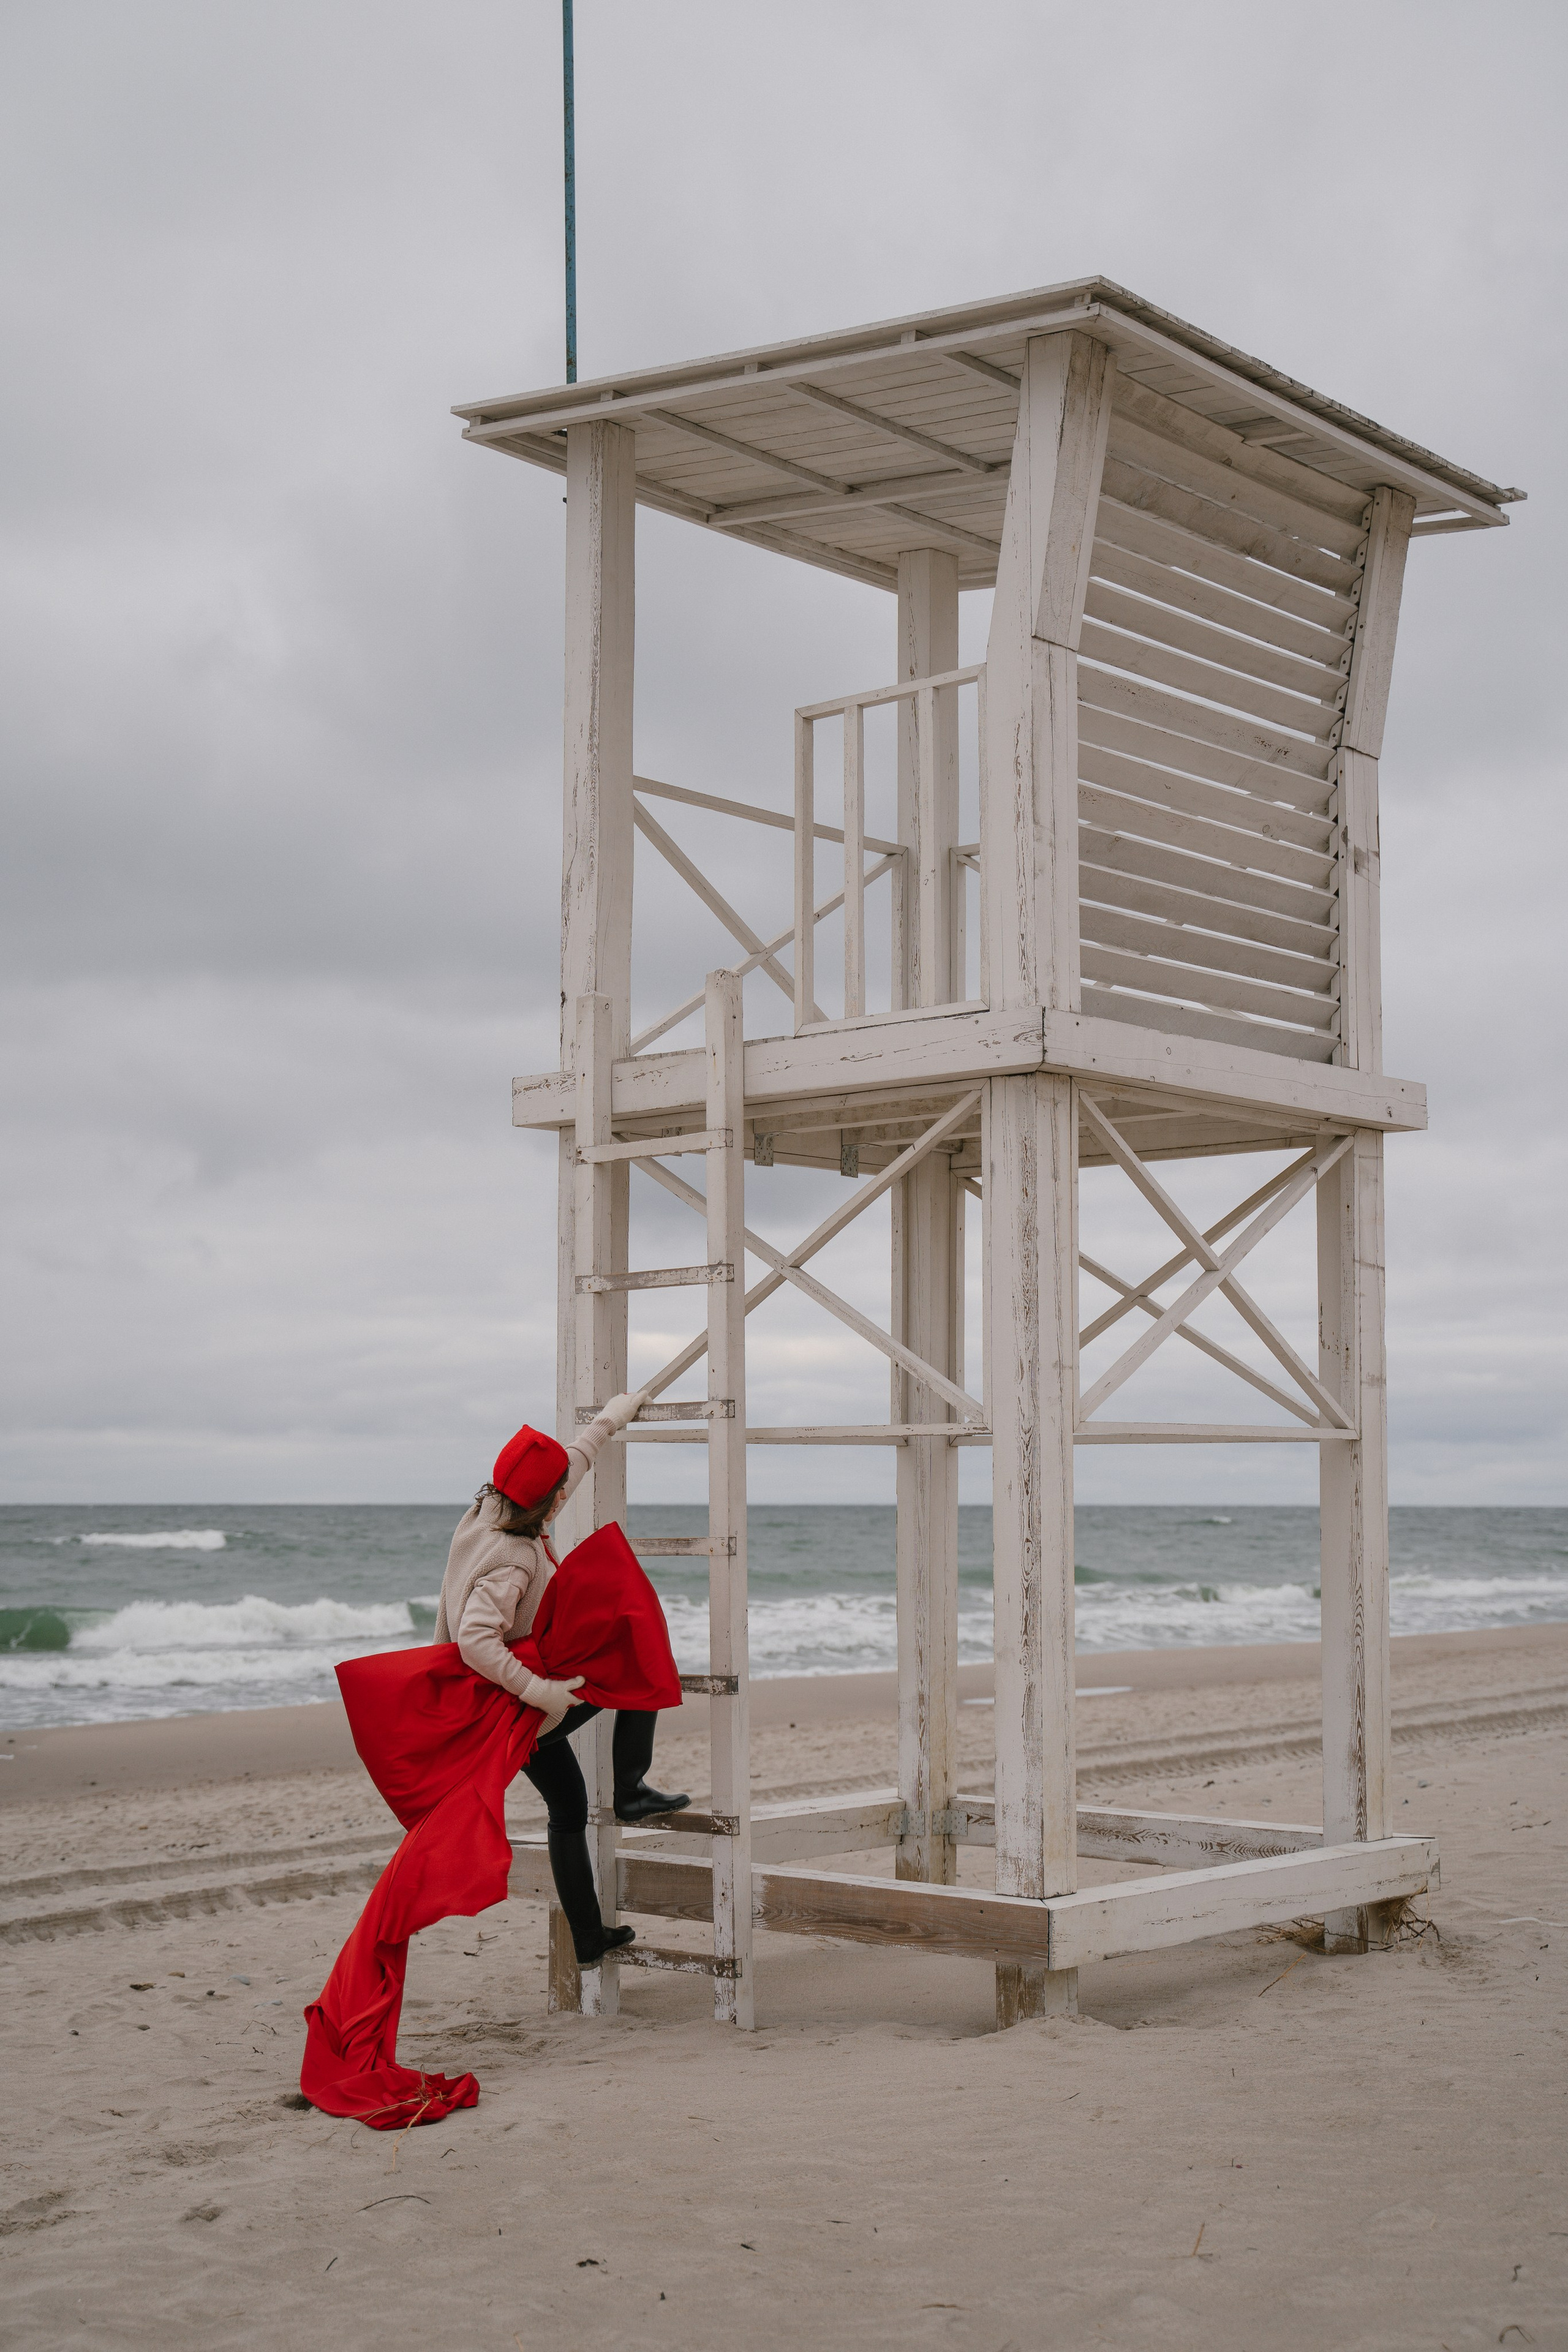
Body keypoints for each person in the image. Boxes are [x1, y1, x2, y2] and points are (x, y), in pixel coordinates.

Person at [434, 1392, 689, 1966]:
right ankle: (630, 1788)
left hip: (498, 1708)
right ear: (548, 1507)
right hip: (514, 1706)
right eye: (561, 1498)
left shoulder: (487, 1513)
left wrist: (611, 1420)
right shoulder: (512, 1559)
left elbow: (566, 1465)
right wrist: (542, 1692)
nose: (565, 1497)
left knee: (568, 1809)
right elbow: (476, 1641)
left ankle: (589, 1937)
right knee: (632, 1651)